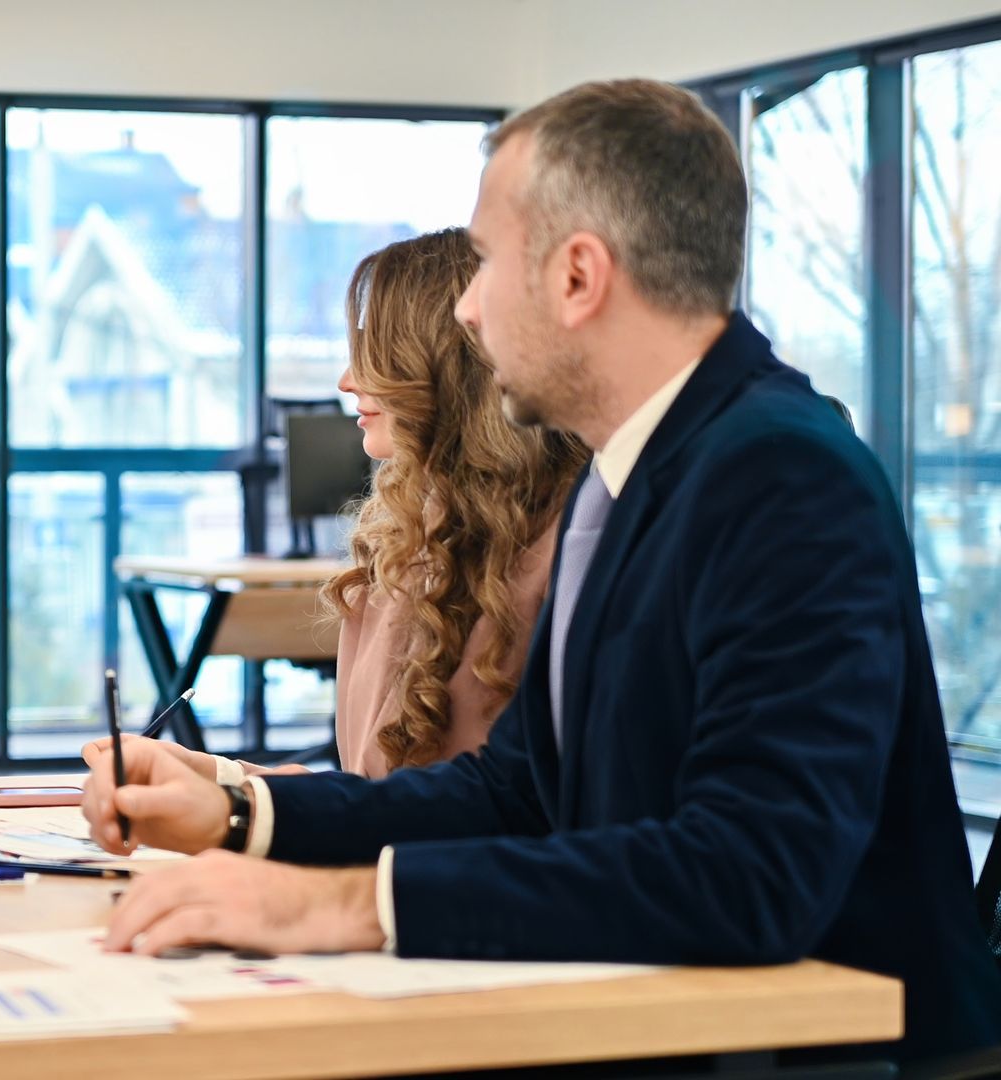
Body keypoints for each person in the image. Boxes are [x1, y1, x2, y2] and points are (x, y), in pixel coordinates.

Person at [80, 79, 1001, 1063]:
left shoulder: (784, 475)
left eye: (483, 262)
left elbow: (751, 874)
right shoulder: (627, 475)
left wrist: (342, 906)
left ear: (577, 278)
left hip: (827, 1055)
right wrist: (237, 808)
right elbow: (518, 792)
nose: (467, 311)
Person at [86, 228, 585, 783]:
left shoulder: (566, 548)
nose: (348, 381)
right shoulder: (402, 545)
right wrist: (212, 777)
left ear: (444, 362)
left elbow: (442, 817)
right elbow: (369, 802)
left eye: (377, 354)